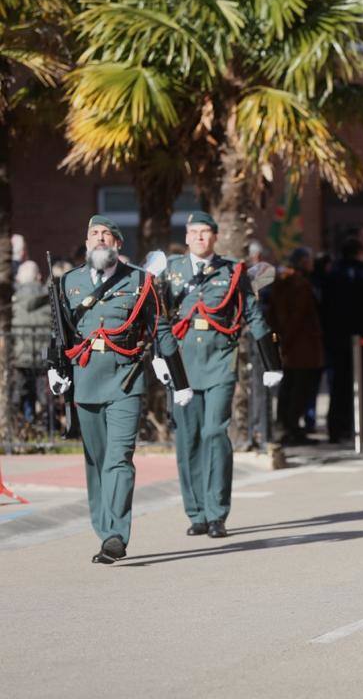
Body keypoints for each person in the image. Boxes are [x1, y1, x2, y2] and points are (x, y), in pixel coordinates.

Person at [47, 215, 193, 563]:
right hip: (85, 379)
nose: (100, 239)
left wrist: (178, 378)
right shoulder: (69, 282)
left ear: (117, 244)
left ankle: (116, 535)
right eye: (94, 234)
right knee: (97, 460)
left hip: (125, 380)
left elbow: (160, 329)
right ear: (87, 243)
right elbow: (58, 331)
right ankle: (104, 527)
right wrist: (54, 367)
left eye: (106, 235)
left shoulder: (140, 281)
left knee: (119, 458)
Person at [163, 211, 283, 539]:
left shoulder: (233, 270)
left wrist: (271, 362)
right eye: (194, 232)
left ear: (215, 237)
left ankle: (216, 513)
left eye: (205, 232)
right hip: (182, 363)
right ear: (186, 237)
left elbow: (253, 315)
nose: (199, 237)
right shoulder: (171, 271)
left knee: (215, 432)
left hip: (219, 361)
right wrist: (161, 359)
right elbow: (159, 318)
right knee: (187, 439)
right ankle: (197, 512)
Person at [324, 236, 363, 442]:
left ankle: (336, 428)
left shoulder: (333, 272)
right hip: (362, 335)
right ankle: (361, 427)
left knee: (338, 385)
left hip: (337, 336)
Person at [267, 247, 324, 446]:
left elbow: (273, 314)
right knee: (299, 389)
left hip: (290, 342)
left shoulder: (281, 283)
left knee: (289, 387)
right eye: (308, 259)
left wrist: (280, 338)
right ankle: (290, 428)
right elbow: (298, 316)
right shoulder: (299, 284)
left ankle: (286, 426)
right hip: (302, 345)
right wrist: (287, 340)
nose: (312, 263)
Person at [12, 261, 50, 422]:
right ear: (39, 276)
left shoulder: (12, 300)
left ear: (18, 279)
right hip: (43, 357)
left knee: (18, 394)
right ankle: (48, 425)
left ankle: (19, 424)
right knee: (45, 396)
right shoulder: (48, 298)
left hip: (19, 357)